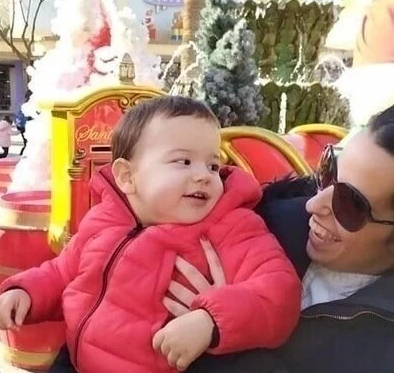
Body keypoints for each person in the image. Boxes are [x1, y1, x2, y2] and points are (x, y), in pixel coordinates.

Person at [0, 96, 300, 373]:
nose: (203, 176)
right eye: (183, 161)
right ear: (127, 176)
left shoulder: (233, 226)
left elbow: (279, 292)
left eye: (213, 165)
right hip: (76, 361)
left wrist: (210, 320)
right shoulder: (103, 219)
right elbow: (64, 272)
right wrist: (27, 292)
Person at [163, 104, 394, 373]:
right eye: (328, 170)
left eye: (350, 204)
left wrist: (224, 327)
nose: (313, 204)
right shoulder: (258, 220)